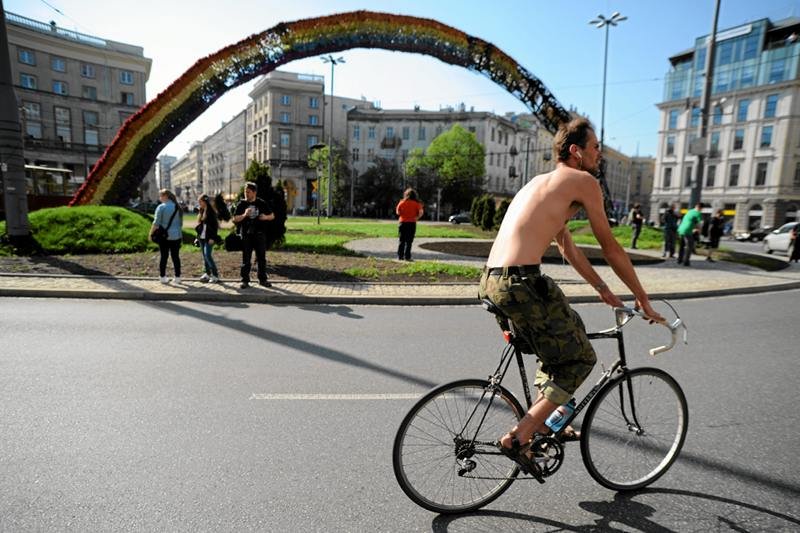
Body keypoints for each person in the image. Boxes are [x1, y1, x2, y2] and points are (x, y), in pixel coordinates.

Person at [477, 117, 664, 477]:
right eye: (595, 148)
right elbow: (610, 247)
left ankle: (543, 425)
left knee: (554, 349)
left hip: (491, 281)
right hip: (521, 282)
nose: (599, 155)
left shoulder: (540, 183)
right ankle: (520, 436)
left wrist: (604, 289)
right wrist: (642, 299)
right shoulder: (583, 181)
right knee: (580, 358)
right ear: (576, 151)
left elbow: (568, 248)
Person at [233, 182, 275, 288]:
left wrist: (265, 217)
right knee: (246, 258)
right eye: (245, 192)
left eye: (248, 192)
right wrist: (244, 215)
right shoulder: (242, 204)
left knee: (261, 258)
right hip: (246, 235)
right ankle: (245, 280)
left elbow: (272, 216)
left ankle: (262, 279)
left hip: (259, 234)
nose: (246, 194)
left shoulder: (261, 203)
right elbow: (235, 219)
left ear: (254, 192)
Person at [150, 189, 183, 284]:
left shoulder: (161, 207)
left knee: (164, 256)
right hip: (176, 236)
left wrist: (151, 233)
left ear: (165, 196)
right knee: (176, 257)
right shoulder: (178, 207)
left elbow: (156, 223)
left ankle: (163, 277)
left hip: (164, 236)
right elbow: (180, 224)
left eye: (160, 196)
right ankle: (177, 277)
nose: (159, 198)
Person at [196, 194, 220, 282]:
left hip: (209, 238)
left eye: (200, 201)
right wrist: (197, 237)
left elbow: (215, 226)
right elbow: (200, 226)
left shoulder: (211, 212)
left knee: (208, 255)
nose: (199, 203)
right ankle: (207, 273)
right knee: (204, 256)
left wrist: (212, 238)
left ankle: (215, 275)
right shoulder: (202, 211)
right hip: (201, 238)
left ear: (205, 201)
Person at [396, 188, 424, 260]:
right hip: (411, 223)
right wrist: (416, 217)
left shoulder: (402, 202)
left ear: (406, 194)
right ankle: (407, 257)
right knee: (409, 241)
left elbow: (398, 212)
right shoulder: (417, 204)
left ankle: (400, 256)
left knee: (401, 240)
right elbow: (421, 212)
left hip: (402, 222)